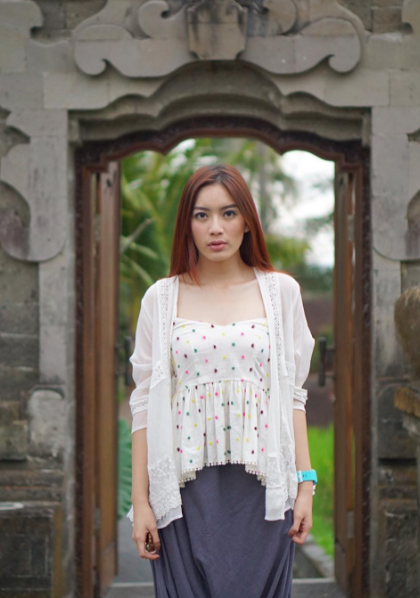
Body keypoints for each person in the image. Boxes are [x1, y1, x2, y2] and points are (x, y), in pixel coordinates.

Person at [127, 164, 317, 598]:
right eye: (202, 215)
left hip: (264, 493)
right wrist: (141, 502)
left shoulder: (281, 293)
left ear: (247, 221)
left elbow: (293, 397)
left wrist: (305, 487)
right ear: (187, 224)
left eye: (228, 213)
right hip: (183, 494)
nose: (216, 227)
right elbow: (144, 406)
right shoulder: (160, 299)